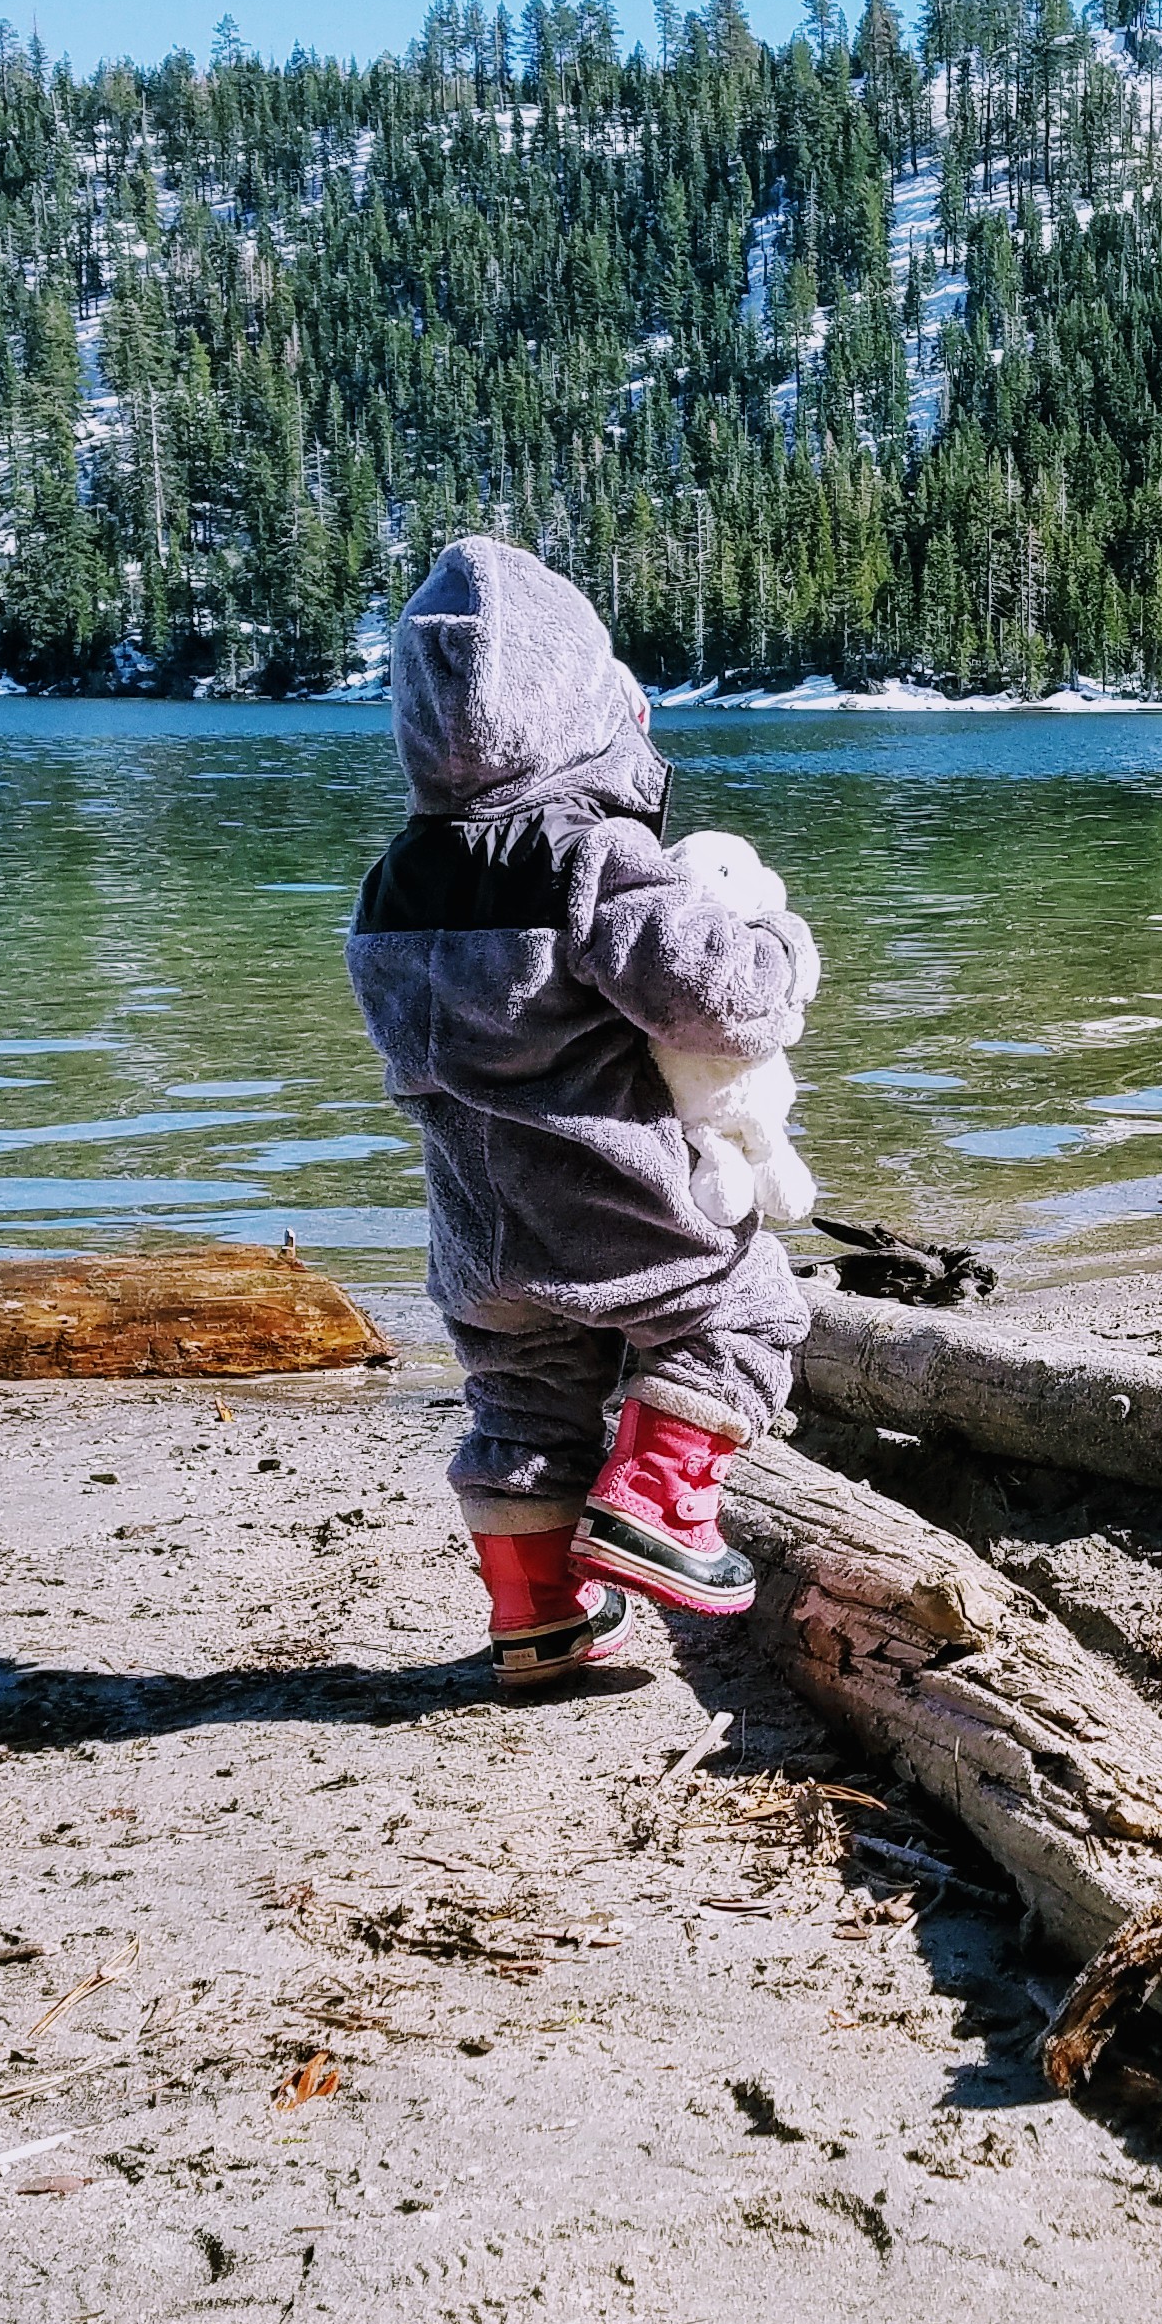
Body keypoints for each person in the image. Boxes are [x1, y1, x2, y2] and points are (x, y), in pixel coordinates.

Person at [345, 537, 820, 1689]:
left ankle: (541, 1616)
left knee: (522, 1398)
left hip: (473, 1221)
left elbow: (407, 1036)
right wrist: (778, 940)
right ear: (582, 706)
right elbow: (725, 1004)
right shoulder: (588, 854)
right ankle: (660, 1507)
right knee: (742, 1311)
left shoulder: (394, 876)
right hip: (609, 1188)